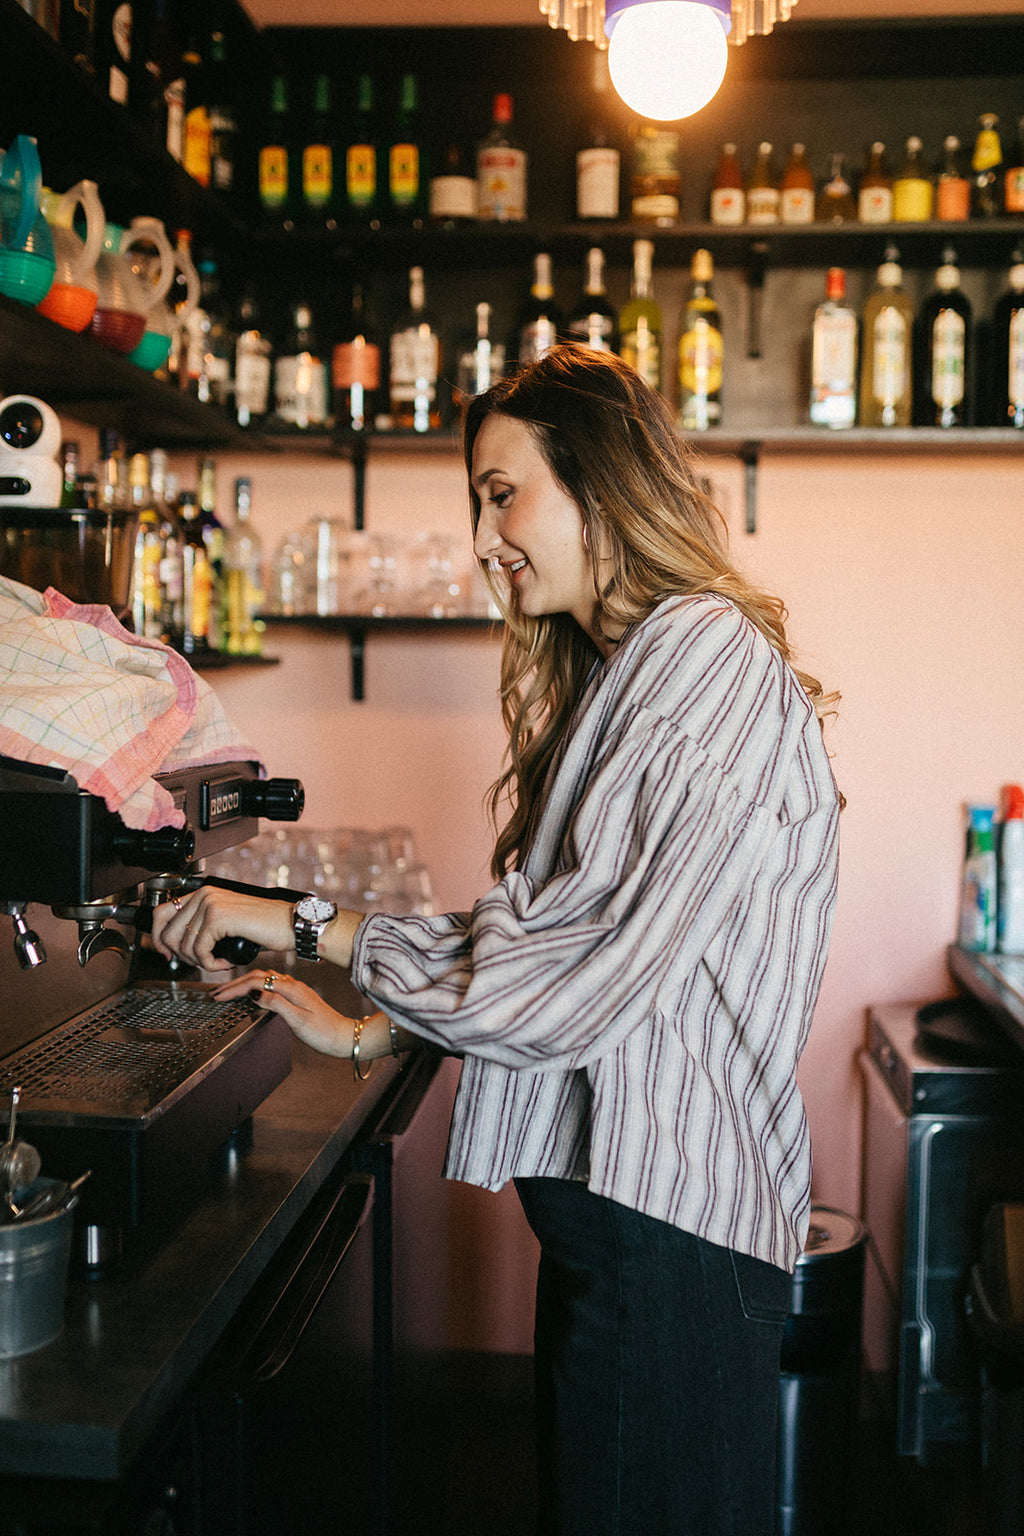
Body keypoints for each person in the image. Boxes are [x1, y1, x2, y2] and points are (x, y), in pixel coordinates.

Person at [152, 343, 841, 1536]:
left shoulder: (702, 663)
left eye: (500, 491)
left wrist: (298, 918)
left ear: (602, 482)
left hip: (668, 1247)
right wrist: (374, 1033)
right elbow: (571, 942)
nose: (482, 539)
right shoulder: (638, 671)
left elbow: (574, 977)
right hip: (633, 1237)